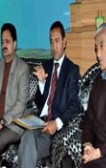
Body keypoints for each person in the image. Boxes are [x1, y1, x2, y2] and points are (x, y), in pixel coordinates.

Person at [17, 21, 80, 168]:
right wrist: (41, 83)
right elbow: (39, 103)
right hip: (38, 122)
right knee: (27, 137)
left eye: (57, 41)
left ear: (64, 42)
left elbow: (75, 104)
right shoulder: (45, 66)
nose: (54, 46)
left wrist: (57, 123)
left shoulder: (72, 70)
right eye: (51, 42)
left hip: (52, 130)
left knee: (26, 145)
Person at [82, 22, 106, 167]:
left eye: (101, 46)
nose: (98, 54)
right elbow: (88, 119)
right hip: (96, 152)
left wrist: (99, 151)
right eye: (96, 48)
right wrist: (88, 144)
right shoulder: (97, 80)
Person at [0, 23, 30, 159]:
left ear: (14, 44)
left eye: (7, 41)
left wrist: (2, 121)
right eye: (2, 42)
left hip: (13, 123)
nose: (4, 45)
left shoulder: (22, 68)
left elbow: (21, 104)